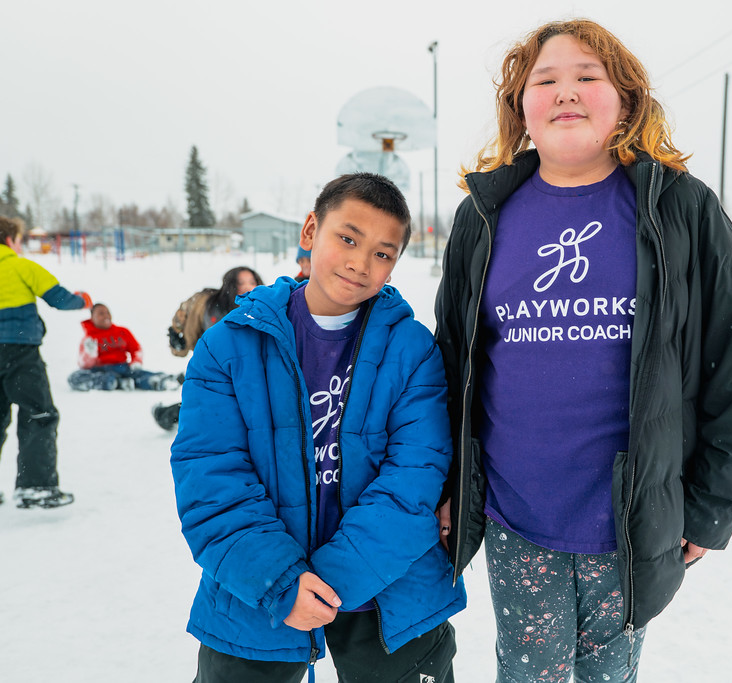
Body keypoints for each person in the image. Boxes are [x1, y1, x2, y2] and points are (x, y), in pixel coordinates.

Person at [434, 19, 732, 682]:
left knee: (609, 674)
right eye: (545, 80)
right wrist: (447, 486)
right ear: (520, 105)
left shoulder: (682, 210)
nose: (566, 92)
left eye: (588, 77)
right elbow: (451, 364)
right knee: (527, 673)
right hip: (515, 511)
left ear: (627, 101)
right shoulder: (485, 216)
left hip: (632, 519)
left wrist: (711, 503)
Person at [170, 173, 466, 683]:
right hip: (256, 586)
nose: (359, 262)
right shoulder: (227, 347)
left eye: (382, 253)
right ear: (310, 230)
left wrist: (329, 581)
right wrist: (281, 581)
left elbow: (415, 477)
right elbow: (211, 478)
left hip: (388, 583)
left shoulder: (412, 350)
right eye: (347, 238)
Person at [0, 215, 93, 511]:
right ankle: (36, 487)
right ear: (10, 240)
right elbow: (59, 298)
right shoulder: (19, 265)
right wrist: (82, 299)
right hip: (18, 351)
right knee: (38, 413)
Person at [152, 265, 263, 430]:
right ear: (230, 285)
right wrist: (179, 343)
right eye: (241, 283)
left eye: (251, 282)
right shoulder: (210, 307)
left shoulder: (261, 308)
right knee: (209, 404)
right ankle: (167, 415)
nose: (247, 287)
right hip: (216, 371)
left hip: (248, 373)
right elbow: (187, 332)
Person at [67, 303, 182, 391]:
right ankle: (118, 382)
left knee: (141, 374)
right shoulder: (88, 339)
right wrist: (89, 354)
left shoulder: (122, 332)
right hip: (101, 371)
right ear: (92, 317)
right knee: (75, 377)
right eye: (101, 313)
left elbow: (136, 349)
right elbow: (84, 365)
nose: (106, 315)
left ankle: (164, 381)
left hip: (122, 367)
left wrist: (136, 362)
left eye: (107, 312)